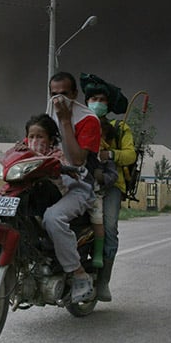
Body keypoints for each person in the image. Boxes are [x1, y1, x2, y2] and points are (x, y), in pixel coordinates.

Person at [45, 71, 102, 303]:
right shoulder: (47, 117)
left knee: (52, 218)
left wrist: (66, 120)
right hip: (51, 180)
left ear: (75, 94)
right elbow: (32, 142)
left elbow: (77, 159)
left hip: (79, 185)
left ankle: (78, 274)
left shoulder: (88, 120)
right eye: (54, 94)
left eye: (64, 94)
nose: (58, 100)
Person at [83, 81, 136, 302]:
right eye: (94, 99)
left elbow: (130, 155)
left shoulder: (120, 128)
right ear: (86, 102)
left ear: (109, 104)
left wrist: (111, 155)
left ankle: (103, 280)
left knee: (109, 227)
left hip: (112, 184)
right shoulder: (80, 124)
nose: (98, 103)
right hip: (81, 180)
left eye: (102, 100)